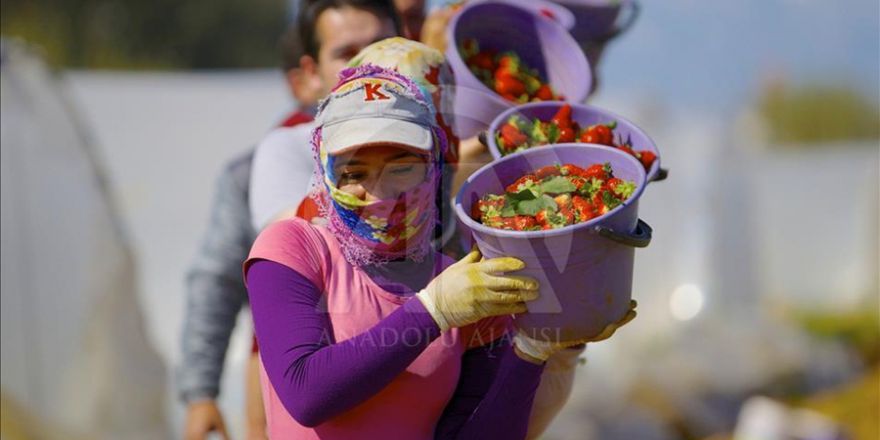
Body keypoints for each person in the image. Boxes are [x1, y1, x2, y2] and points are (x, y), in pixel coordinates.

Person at [245, 64, 636, 438]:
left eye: (401, 169)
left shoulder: (465, 286)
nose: (380, 195)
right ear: (324, 175)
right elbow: (306, 393)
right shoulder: (293, 247)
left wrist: (532, 349)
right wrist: (433, 311)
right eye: (354, 173)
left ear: (434, 170)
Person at [179, 2, 402, 439]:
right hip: (293, 384)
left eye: (381, 48)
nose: (366, 69)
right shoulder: (258, 168)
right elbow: (216, 281)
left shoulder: (445, 158)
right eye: (346, 54)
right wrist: (199, 391)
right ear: (310, 73)